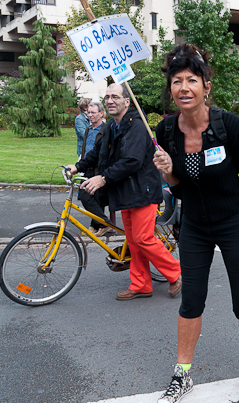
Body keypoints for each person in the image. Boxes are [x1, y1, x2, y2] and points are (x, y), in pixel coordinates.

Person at [153, 43, 239, 403]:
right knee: (191, 301)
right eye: (176, 81)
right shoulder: (166, 129)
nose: (184, 87)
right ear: (170, 89)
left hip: (234, 223)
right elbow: (178, 187)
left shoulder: (231, 126)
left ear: (206, 86)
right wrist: (167, 170)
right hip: (195, 227)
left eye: (192, 79)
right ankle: (183, 373)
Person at [67, 83, 182, 301]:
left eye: (115, 97)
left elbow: (132, 161)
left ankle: (175, 272)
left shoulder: (136, 126)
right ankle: (141, 284)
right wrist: (77, 166)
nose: (110, 100)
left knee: (142, 237)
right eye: (107, 97)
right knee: (134, 240)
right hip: (126, 192)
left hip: (143, 190)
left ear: (126, 102)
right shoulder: (112, 126)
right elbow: (97, 152)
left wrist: (103, 178)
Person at [78, 101, 112, 237]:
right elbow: (85, 147)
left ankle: (101, 224)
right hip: (87, 166)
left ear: (101, 113)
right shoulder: (88, 129)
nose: (90, 115)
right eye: (88, 113)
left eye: (93, 112)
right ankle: (98, 224)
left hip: (98, 169)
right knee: (85, 195)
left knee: (93, 196)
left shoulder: (105, 130)